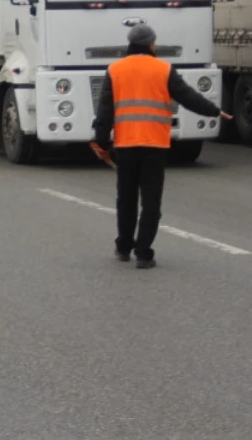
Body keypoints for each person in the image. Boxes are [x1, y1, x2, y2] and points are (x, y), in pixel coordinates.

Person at [92, 24, 231, 269]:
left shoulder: (115, 70)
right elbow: (188, 97)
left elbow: (105, 109)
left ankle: (123, 247)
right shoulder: (164, 69)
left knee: (126, 199)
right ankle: (144, 253)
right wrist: (214, 111)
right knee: (151, 201)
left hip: (125, 144)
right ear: (151, 44)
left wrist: (101, 141)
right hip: (155, 145)